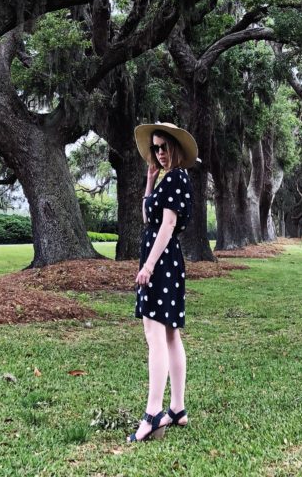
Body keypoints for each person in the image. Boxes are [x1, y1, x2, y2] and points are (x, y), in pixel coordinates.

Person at [127, 121, 197, 444]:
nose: (159, 153)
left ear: (175, 147)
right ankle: (177, 408)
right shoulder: (168, 179)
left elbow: (167, 225)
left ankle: (154, 413)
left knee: (154, 333)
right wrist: (149, 181)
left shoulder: (177, 178)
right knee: (169, 334)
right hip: (165, 261)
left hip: (162, 262)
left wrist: (148, 266)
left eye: (163, 147)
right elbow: (148, 218)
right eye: (155, 148)